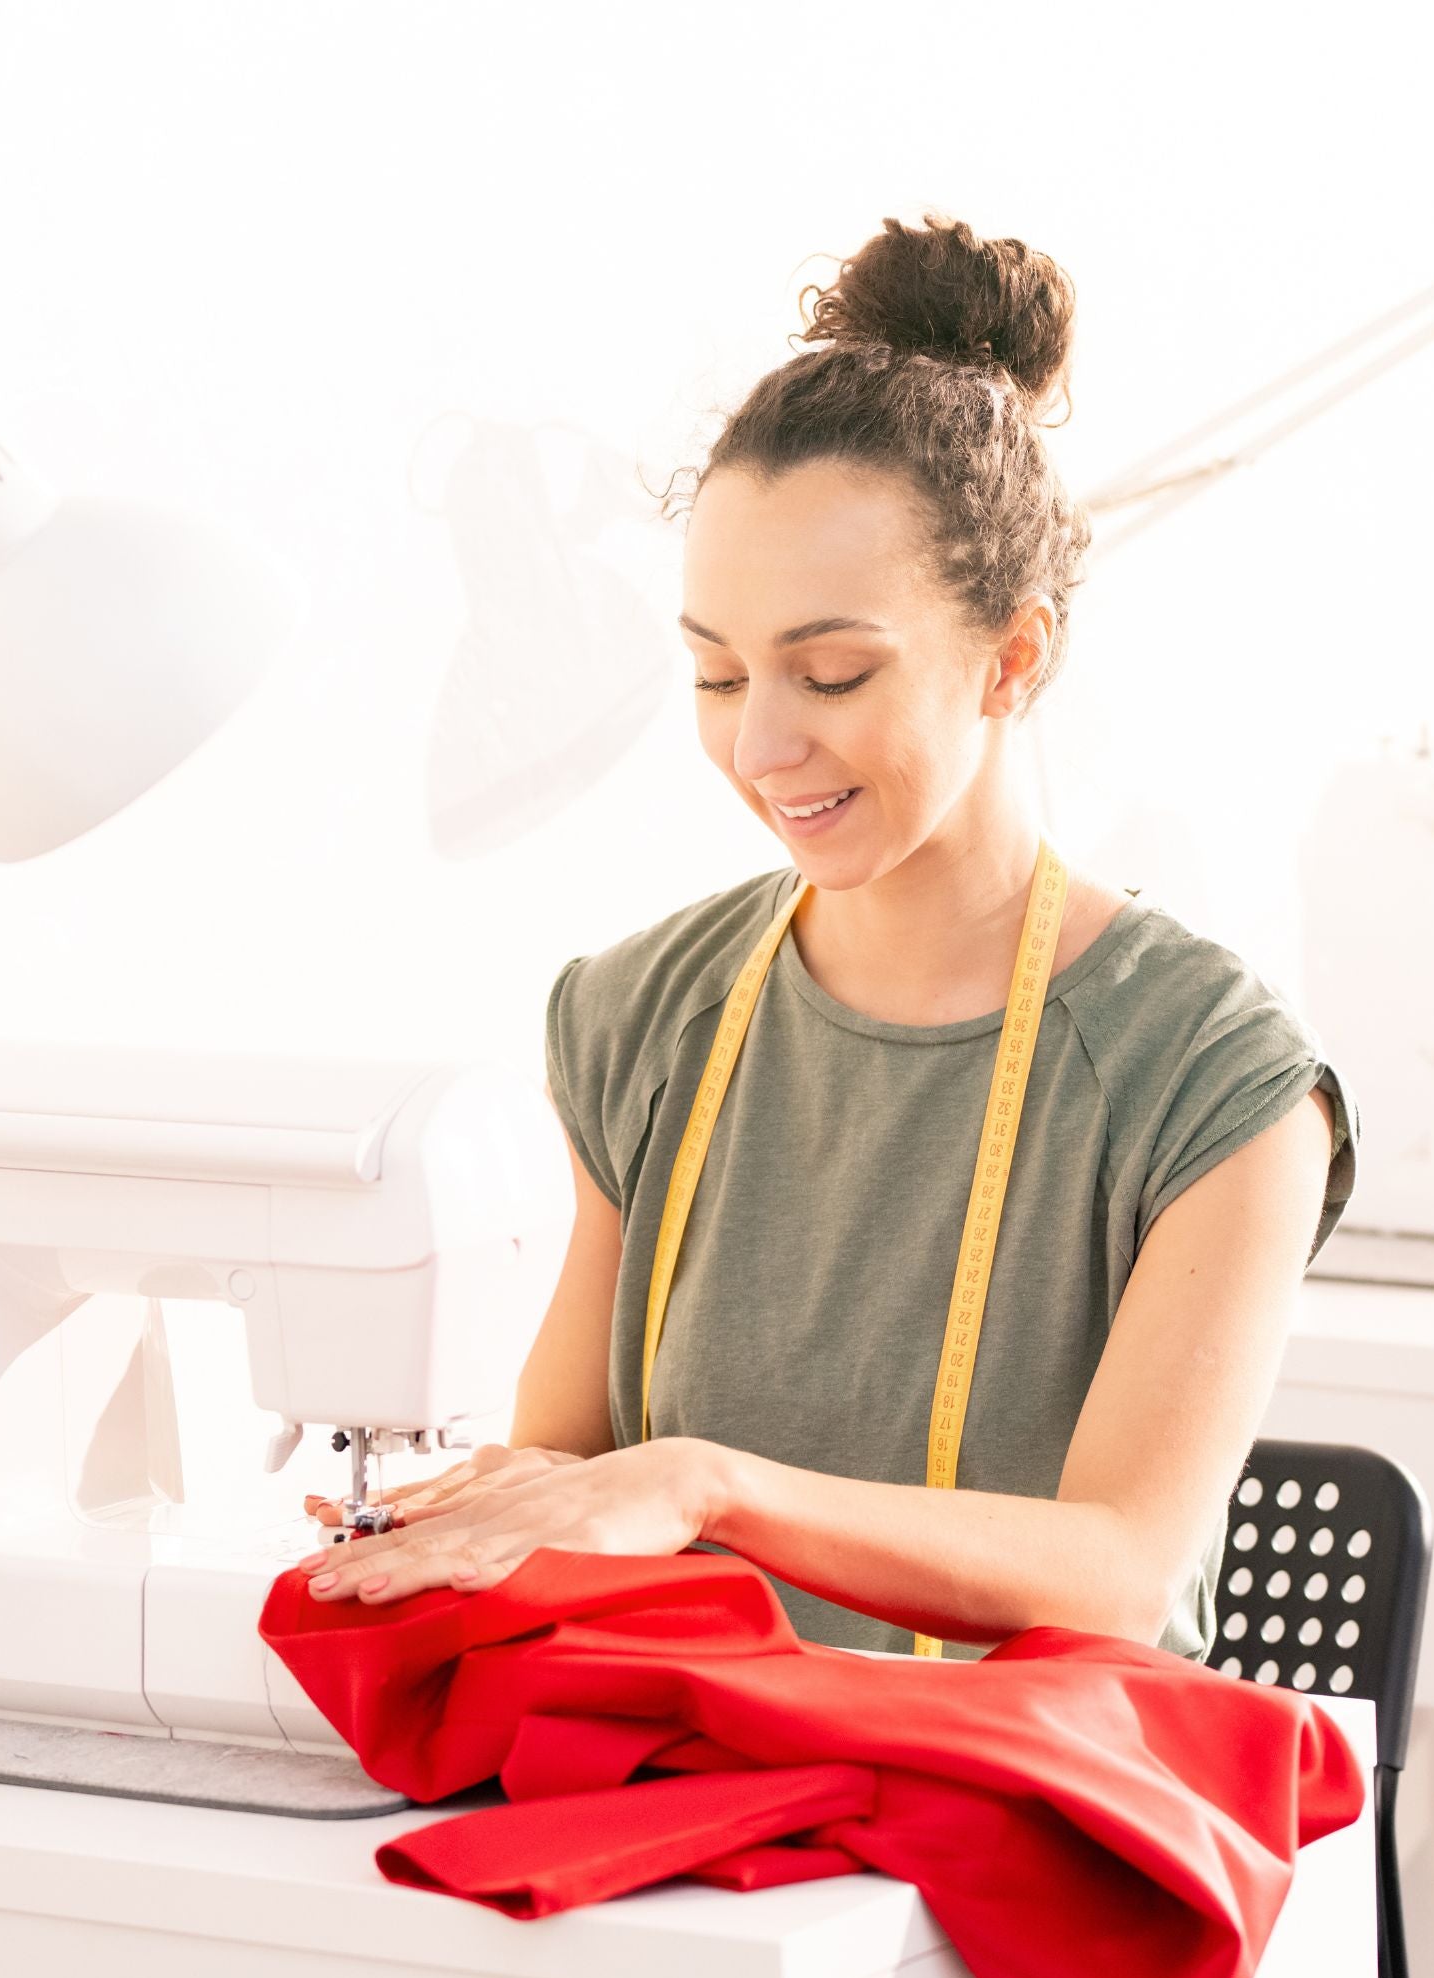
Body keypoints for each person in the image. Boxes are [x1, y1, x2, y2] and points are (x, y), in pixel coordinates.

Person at [303, 214, 1356, 1659]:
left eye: (834, 671)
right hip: (712, 1820)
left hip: (1020, 1846)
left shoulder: (1212, 1079)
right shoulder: (639, 1018)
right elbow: (570, 1467)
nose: (765, 745)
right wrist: (458, 1514)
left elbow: (1124, 1570)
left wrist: (707, 1487)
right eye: (717, 675)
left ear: (1015, 657)